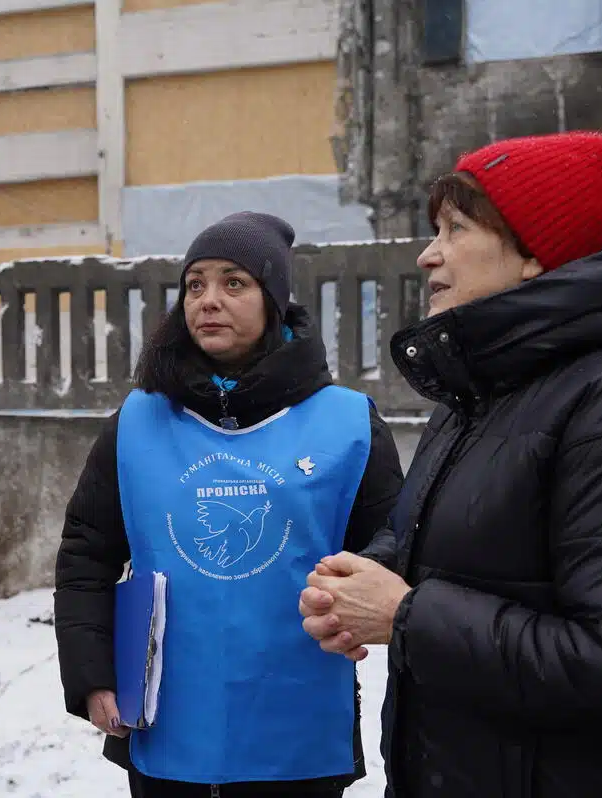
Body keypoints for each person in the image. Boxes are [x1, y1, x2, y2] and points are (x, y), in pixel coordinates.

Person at [298, 131, 602, 797]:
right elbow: (469, 554)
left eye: (456, 228)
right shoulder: (478, 394)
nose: (429, 255)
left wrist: (404, 614)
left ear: (538, 254)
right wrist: (368, 578)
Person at [54, 211, 405, 797]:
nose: (208, 301)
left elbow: (397, 545)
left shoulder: (348, 423)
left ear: (273, 298)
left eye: (233, 283)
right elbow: (86, 555)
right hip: (168, 723)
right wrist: (92, 677)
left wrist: (360, 602)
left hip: (297, 726)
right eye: (195, 285)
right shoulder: (138, 421)